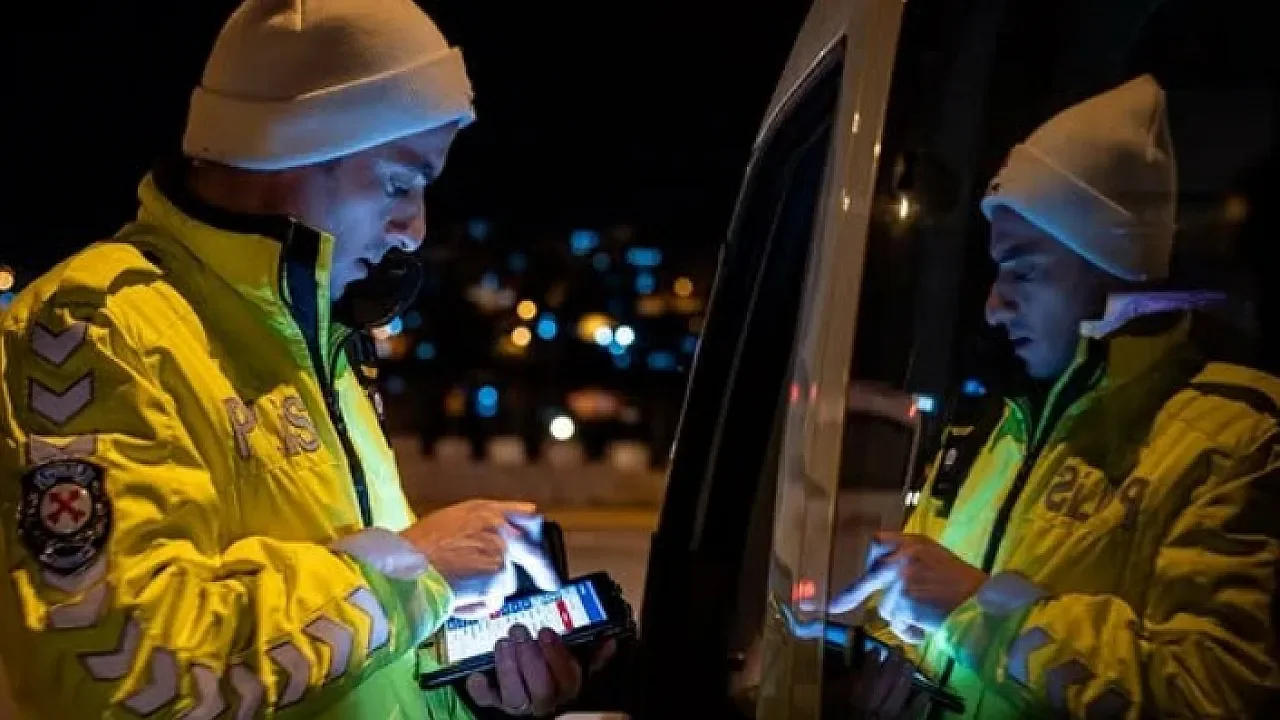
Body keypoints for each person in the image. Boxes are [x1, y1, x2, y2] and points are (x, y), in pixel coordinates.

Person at [0, 0, 603, 717]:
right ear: (290, 151)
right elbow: (121, 674)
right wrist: (411, 569)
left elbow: (356, 666)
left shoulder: (322, 340)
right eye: (399, 182)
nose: (414, 229)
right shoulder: (97, 327)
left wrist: (478, 695)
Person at [825, 75, 1279, 718]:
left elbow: (1214, 694)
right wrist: (865, 649)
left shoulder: (1237, 439)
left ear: (1111, 263)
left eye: (1022, 268)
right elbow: (921, 612)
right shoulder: (997, 422)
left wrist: (978, 608)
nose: (993, 307)